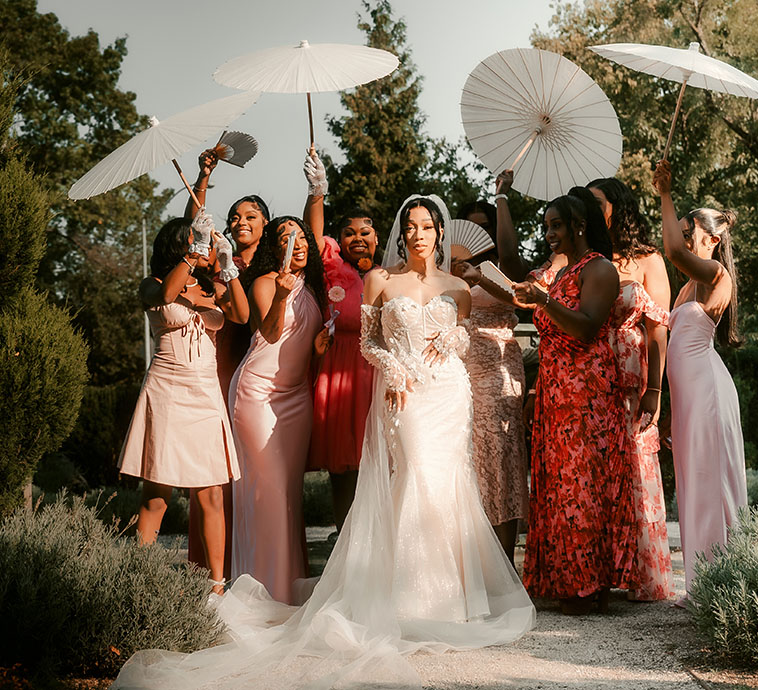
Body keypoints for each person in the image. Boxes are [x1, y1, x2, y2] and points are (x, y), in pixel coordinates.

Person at [113, 195, 534, 690]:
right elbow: (370, 341)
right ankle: (406, 596)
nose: (419, 234)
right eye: (412, 226)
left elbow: (462, 333)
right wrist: (395, 368)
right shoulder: (380, 280)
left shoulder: (458, 287)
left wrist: (453, 342)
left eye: (427, 226)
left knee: (449, 485)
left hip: (449, 394)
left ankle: (453, 601)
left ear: (440, 233)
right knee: (415, 475)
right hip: (401, 394)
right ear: (403, 233)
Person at [513, 190, 637, 615]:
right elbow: (550, 338)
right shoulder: (563, 274)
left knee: (584, 487)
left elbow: (586, 329)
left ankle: (589, 585)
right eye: (546, 226)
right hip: (554, 392)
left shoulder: (600, 269)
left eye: (557, 225)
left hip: (588, 394)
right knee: (559, 487)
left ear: (579, 226)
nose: (549, 234)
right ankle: (567, 579)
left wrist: (543, 299)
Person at [117, 214, 249, 594]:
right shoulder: (153, 284)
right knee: (157, 494)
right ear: (182, 244)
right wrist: (194, 253)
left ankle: (217, 587)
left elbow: (241, 315)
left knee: (210, 494)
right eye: (199, 241)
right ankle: (138, 583)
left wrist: (228, 268)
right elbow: (167, 297)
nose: (207, 246)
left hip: (204, 394)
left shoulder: (212, 288)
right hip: (167, 390)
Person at [651, 159, 746, 598]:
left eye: (690, 232)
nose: (685, 239)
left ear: (713, 238)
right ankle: (701, 585)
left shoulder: (716, 277)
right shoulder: (688, 287)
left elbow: (671, 251)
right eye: (685, 231)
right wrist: (669, 411)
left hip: (707, 390)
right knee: (691, 483)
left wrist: (665, 194)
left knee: (708, 480)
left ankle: (720, 586)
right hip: (687, 398)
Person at [228, 215, 331, 605]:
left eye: (303, 237)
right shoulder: (265, 283)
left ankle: (289, 586)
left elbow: (302, 343)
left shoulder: (314, 287)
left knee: (289, 495)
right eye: (288, 237)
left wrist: (320, 349)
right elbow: (269, 333)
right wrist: (283, 295)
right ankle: (263, 592)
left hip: (296, 398)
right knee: (267, 493)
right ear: (275, 246)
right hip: (257, 395)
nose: (299, 243)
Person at [183, 148, 272, 580]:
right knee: (215, 473)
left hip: (261, 384)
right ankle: (211, 570)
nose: (240, 221)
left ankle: (252, 567)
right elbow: (192, 229)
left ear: (266, 226)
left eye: (250, 215)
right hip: (218, 373)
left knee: (253, 475)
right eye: (235, 215)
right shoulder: (218, 263)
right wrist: (202, 180)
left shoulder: (274, 269)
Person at [587, 177, 674, 602]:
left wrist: (655, 388)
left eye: (597, 202)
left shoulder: (647, 260)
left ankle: (643, 575)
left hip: (633, 377)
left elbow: (658, 330)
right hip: (590, 379)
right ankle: (600, 572)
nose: (589, 208)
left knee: (637, 468)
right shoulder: (584, 260)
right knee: (598, 474)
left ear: (617, 207)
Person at [449, 170, 529, 564]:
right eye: (472, 229)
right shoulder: (447, 268)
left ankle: (504, 558)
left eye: (486, 230)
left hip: (498, 369)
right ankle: (469, 558)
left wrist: (478, 275)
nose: (479, 238)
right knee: (466, 456)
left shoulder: (504, 267)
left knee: (502, 455)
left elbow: (519, 300)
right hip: (457, 367)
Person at [302, 150, 377, 532]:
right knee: (343, 467)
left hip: (376, 374)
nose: (357, 238)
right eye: (350, 232)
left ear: (378, 237)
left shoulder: (389, 274)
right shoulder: (332, 265)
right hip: (339, 369)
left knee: (377, 463)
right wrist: (317, 191)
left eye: (365, 232)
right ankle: (344, 537)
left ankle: (377, 540)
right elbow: (311, 240)